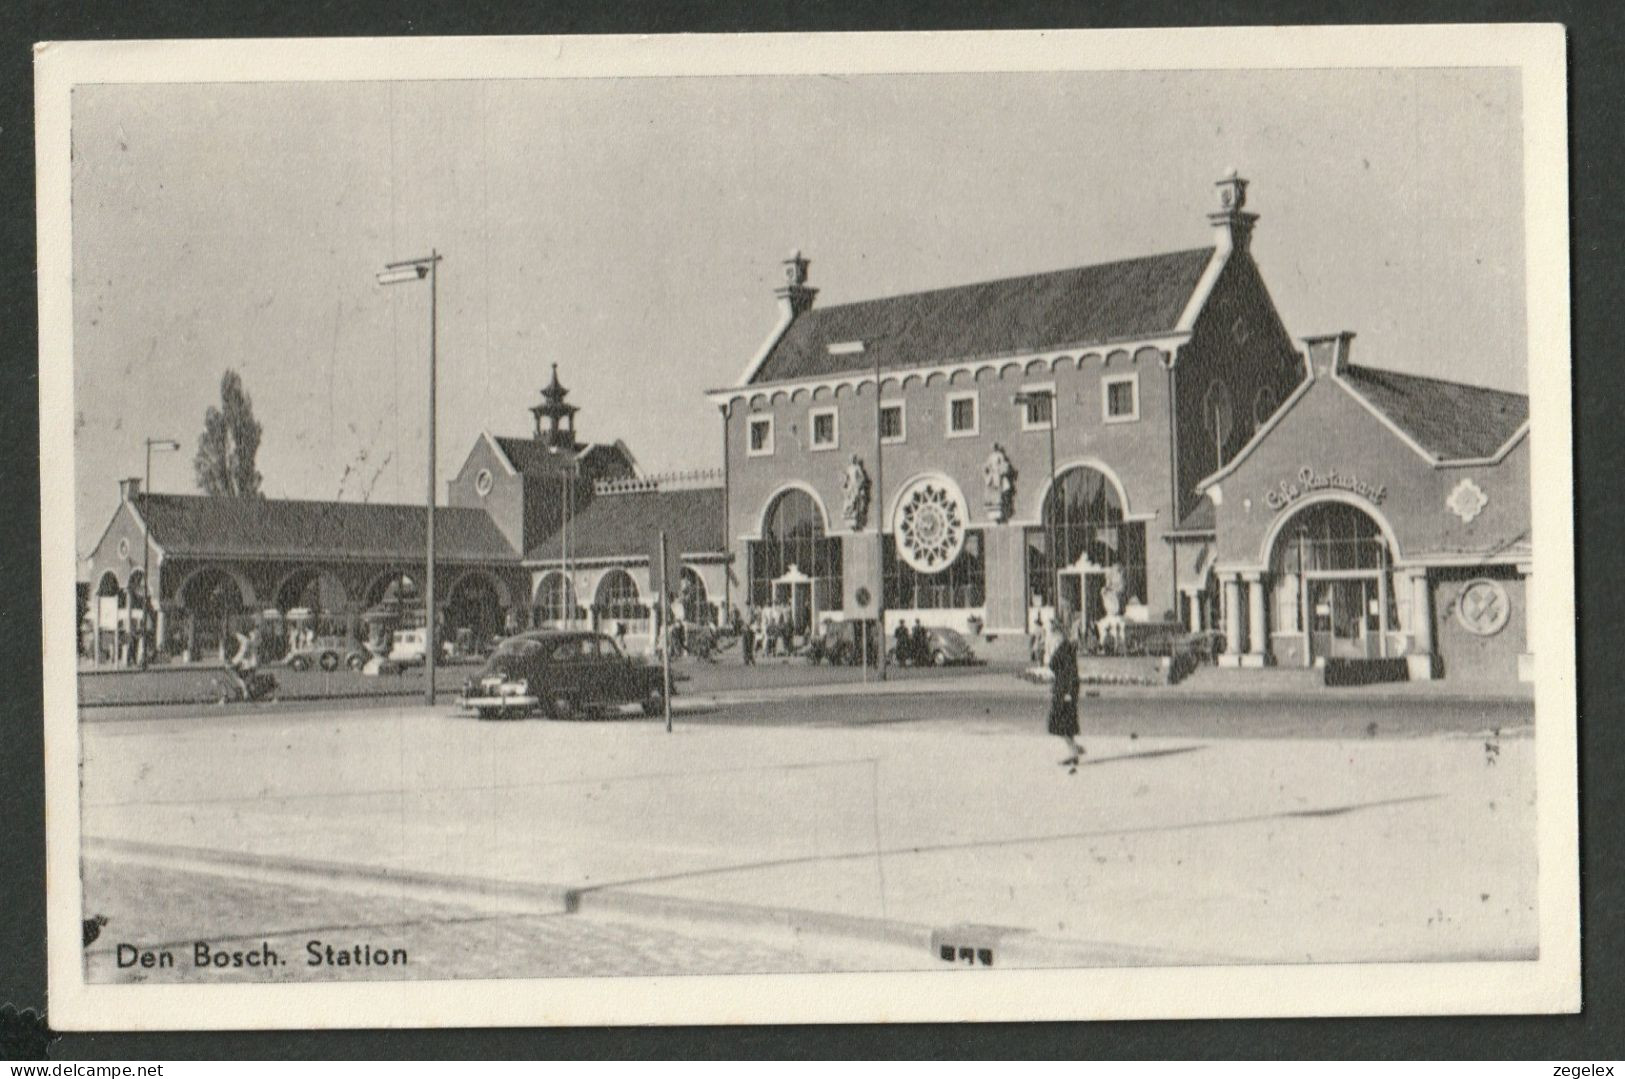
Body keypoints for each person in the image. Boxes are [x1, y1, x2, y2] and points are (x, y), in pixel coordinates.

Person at [1048, 630, 1084, 772]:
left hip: (1064, 692)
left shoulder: (1065, 650)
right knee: (1065, 723)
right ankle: (1074, 749)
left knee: (1060, 722)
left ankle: (1074, 750)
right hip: (1063, 691)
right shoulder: (1066, 649)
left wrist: (1069, 692)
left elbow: (1068, 671)